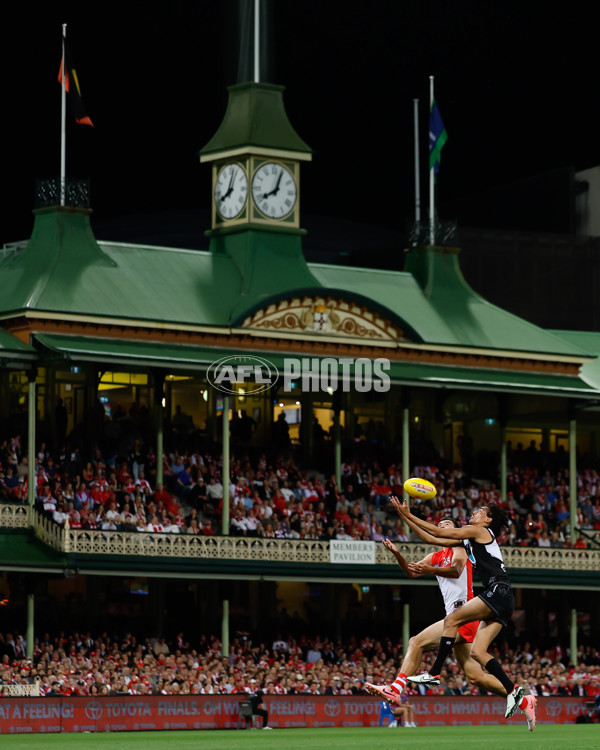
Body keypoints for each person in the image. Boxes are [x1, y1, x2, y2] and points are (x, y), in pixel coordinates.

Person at [391, 496, 536, 729]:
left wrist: (408, 514)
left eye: (480, 510)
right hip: (503, 596)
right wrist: (404, 517)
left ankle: (435, 673)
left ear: (488, 520)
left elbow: (437, 534)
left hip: (498, 590)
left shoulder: (480, 531)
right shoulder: (470, 540)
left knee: (452, 620)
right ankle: (519, 694)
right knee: (478, 653)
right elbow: (431, 537)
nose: (475, 512)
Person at [365, 519, 509, 706]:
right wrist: (397, 554)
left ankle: (395, 688)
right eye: (440, 525)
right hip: (456, 615)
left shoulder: (459, 547)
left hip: (464, 613)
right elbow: (411, 572)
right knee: (476, 677)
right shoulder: (435, 556)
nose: (442, 526)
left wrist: (431, 570)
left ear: (455, 529)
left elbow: (456, 570)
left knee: (416, 642)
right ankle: (520, 697)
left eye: (447, 524)